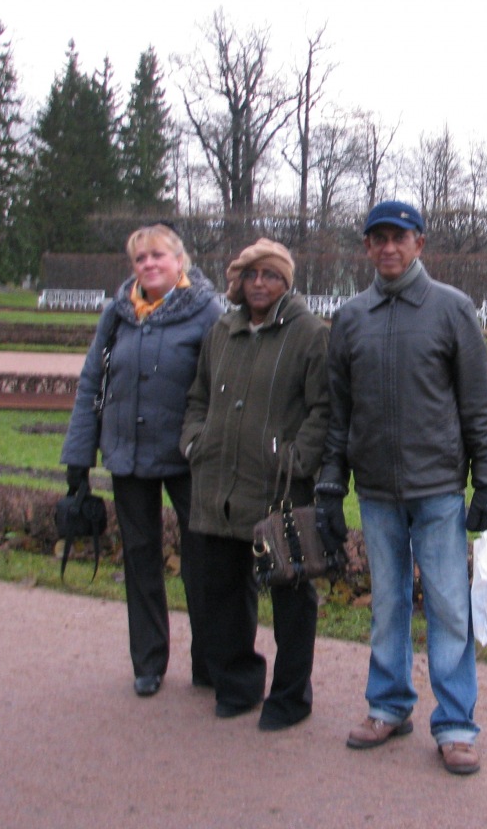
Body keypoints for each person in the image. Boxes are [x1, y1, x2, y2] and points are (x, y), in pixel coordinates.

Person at [315, 200, 487, 776]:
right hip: (376, 490)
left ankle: (456, 724)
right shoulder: (351, 318)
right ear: (367, 248)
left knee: (448, 608)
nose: (389, 247)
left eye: (400, 237)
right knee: (388, 604)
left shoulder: (452, 309)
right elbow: (339, 412)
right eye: (379, 239)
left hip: (438, 488)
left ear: (420, 243)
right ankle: (389, 705)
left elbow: (477, 405)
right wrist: (331, 482)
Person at [61, 223, 224, 698]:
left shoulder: (207, 311)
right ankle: (148, 662)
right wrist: (78, 458)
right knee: (140, 559)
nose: (149, 264)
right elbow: (91, 383)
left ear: (180, 261)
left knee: (203, 561)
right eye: (140, 258)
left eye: (158, 255)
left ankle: (208, 660)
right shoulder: (117, 314)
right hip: (127, 454)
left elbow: (223, 384)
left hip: (188, 457)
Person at [180, 238, 330, 730]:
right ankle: (238, 684)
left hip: (279, 488)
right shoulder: (222, 332)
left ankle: (290, 696)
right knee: (223, 591)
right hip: (220, 483)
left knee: (291, 596)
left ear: (286, 282)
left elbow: (323, 408)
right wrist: (195, 441)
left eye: (270, 275)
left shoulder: (310, 334)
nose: (259, 284)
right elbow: (198, 396)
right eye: (251, 275)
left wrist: (297, 459)